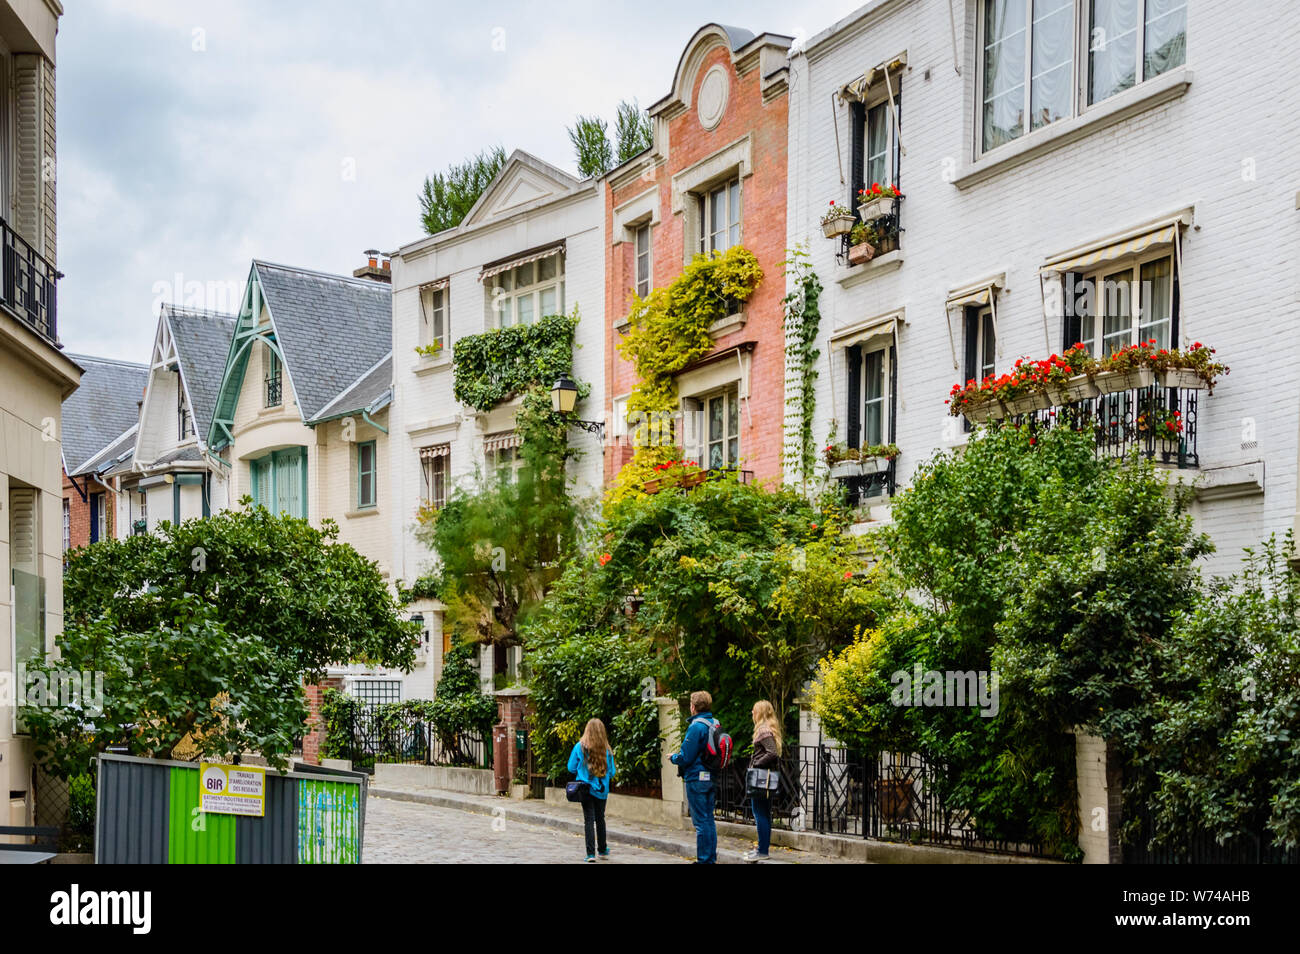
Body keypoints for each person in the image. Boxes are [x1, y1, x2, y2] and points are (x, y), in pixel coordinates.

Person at [669, 690, 719, 864]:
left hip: (696, 778)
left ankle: (704, 860)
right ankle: (710, 858)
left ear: (693, 707)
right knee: (709, 819)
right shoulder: (714, 723)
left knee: (700, 823)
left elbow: (686, 756)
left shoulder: (696, 726)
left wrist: (673, 757)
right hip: (711, 776)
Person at [567, 718, 616, 862]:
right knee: (600, 819)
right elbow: (612, 772)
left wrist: (581, 769)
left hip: (585, 789)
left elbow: (570, 767)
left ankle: (590, 854)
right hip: (602, 790)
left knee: (589, 820)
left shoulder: (579, 747)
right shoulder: (606, 750)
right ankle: (602, 849)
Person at [745, 699, 783, 863]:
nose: (752, 713)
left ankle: (762, 850)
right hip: (764, 777)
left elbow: (772, 753)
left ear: (760, 712)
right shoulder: (768, 729)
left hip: (760, 777)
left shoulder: (763, 730)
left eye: (754, 710)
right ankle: (762, 849)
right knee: (764, 813)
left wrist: (756, 764)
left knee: (759, 813)